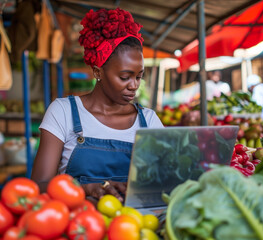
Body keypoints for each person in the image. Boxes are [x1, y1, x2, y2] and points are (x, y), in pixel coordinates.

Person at [31, 8, 164, 204]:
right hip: (78, 226)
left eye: (139, 76)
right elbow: (37, 186)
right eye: (125, 77)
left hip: (132, 227)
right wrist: (84, 189)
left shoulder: (149, 121)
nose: (134, 85)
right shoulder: (63, 112)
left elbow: (165, 184)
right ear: (98, 72)